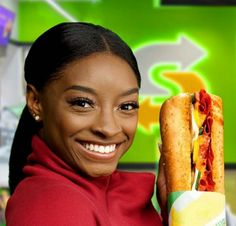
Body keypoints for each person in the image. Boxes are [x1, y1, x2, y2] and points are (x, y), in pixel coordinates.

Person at [5, 22, 166, 226]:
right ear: (36, 101)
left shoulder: (104, 193)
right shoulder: (56, 208)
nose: (108, 128)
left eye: (126, 106)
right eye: (82, 103)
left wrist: (181, 208)